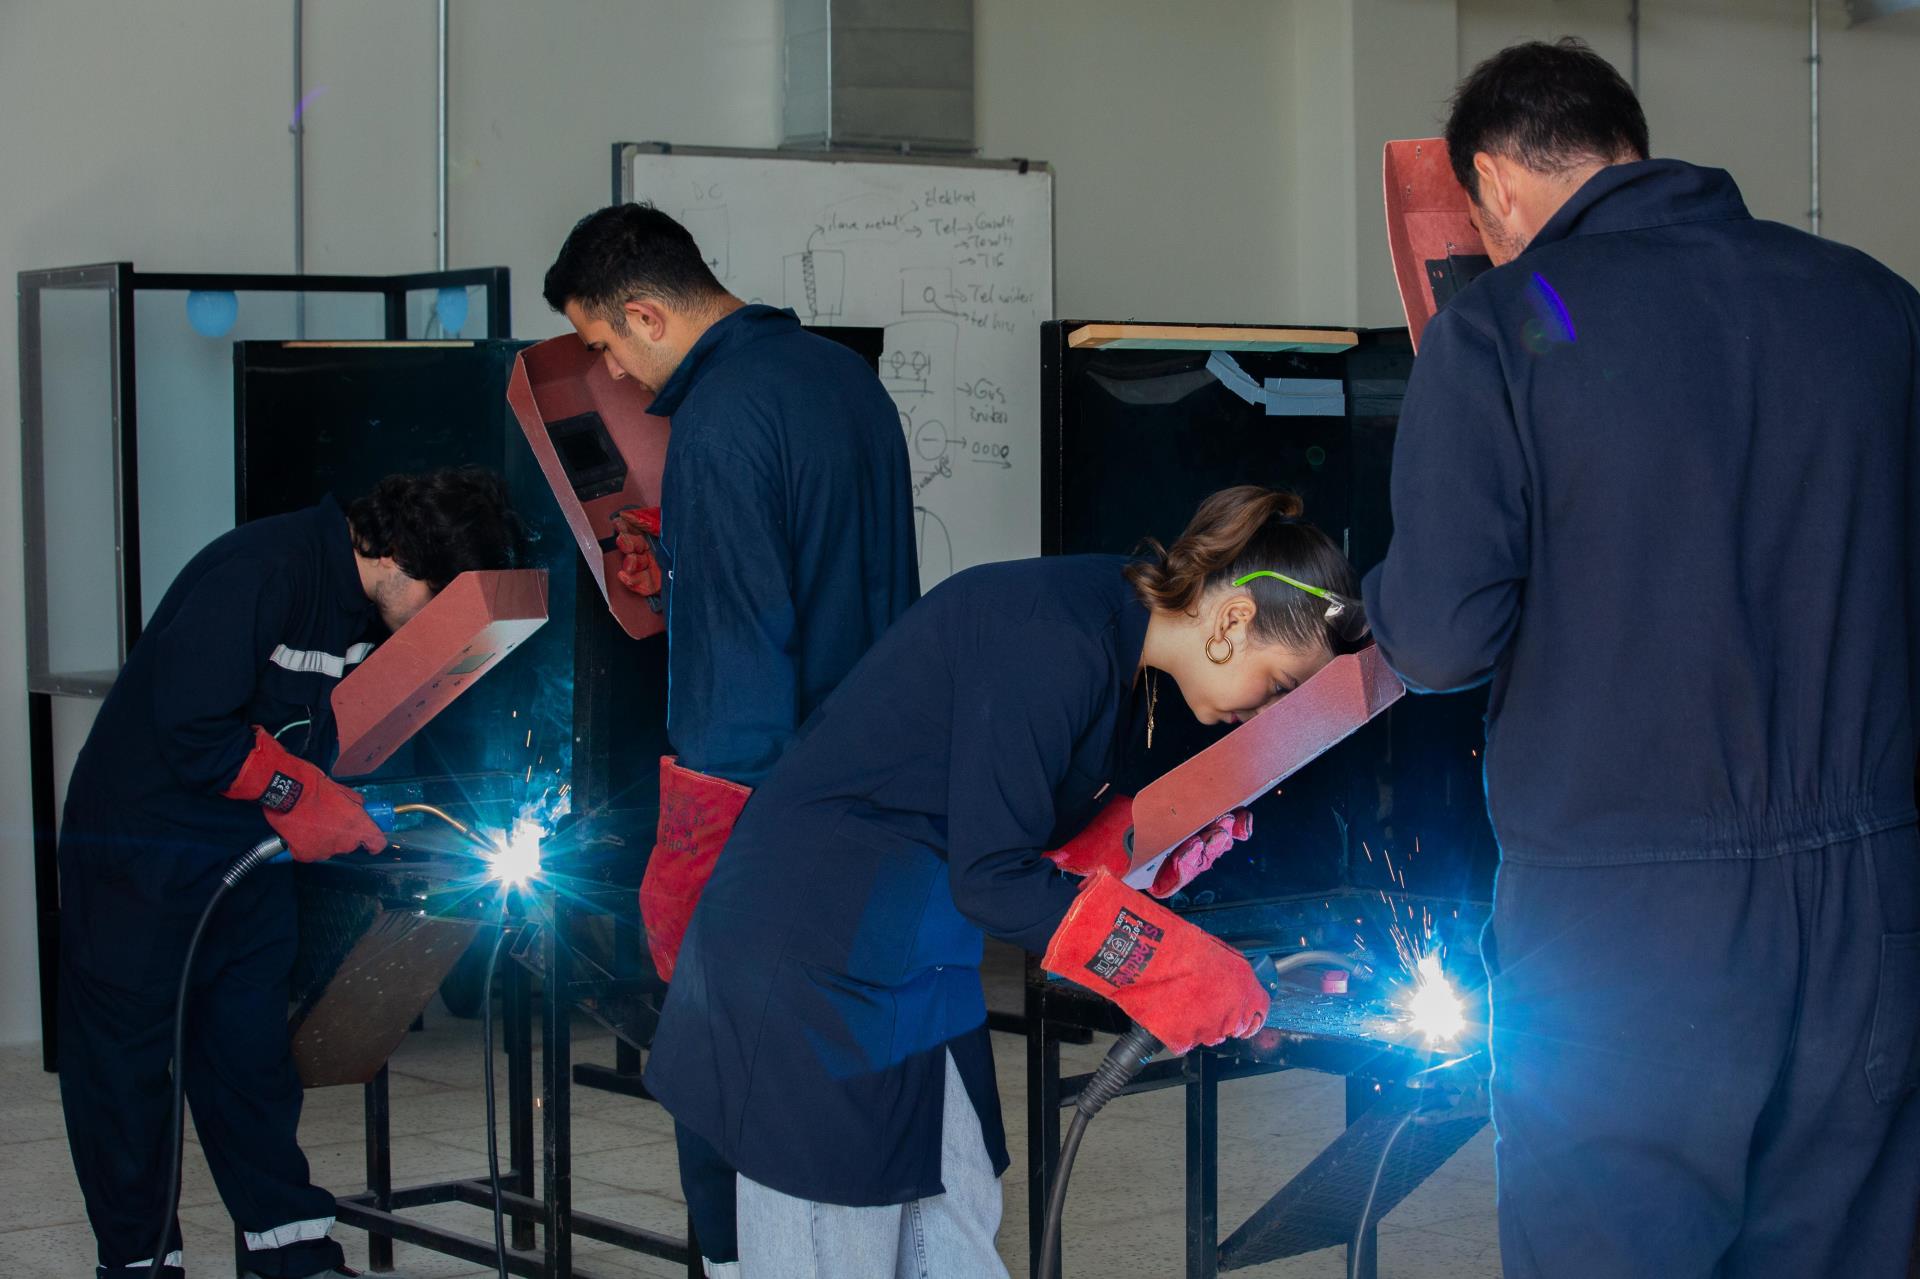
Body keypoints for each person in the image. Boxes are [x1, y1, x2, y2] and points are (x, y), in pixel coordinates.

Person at [1363, 38, 1920, 1279]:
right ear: (1628, 146)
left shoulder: (1500, 328)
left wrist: (1379, 599)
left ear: (1493, 183)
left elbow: (1443, 638)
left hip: (1625, 925)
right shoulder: (1878, 305)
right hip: (1871, 905)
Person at [644, 486, 1366, 1276]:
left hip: (914, 958)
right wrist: (1171, 965)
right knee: (835, 1247)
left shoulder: (1112, 636)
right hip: (812, 964)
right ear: (1233, 621)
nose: (1267, 713)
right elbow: (991, 879)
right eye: (1280, 684)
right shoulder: (1054, 634)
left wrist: (1131, 847)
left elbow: (995, 815)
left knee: (956, 1232)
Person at [543, 203, 919, 1276]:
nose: (610, 372)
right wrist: (684, 564)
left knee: (727, 1097)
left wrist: (694, 857)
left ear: (647, 313)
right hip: (875, 806)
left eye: (606, 343)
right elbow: (828, 574)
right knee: (842, 1086)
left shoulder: (715, 420)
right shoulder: (845, 381)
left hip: (765, 819)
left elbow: (740, 671)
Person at [57, 467, 525, 1279]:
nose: (431, 628)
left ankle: (293, 1255)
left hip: (246, 856)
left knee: (251, 1062)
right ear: (397, 556)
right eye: (437, 604)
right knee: (126, 1077)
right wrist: (300, 793)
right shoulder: (262, 571)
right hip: (139, 856)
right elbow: (193, 729)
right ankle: (138, 1263)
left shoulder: (364, 608)